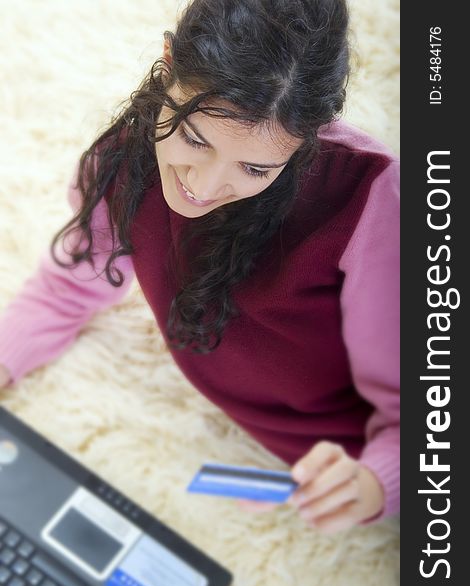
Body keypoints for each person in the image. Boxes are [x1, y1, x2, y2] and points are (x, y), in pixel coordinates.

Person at [0, 0, 399, 535]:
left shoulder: (372, 202)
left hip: (346, 472)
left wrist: (376, 482)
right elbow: (69, 285)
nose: (203, 188)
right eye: (194, 138)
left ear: (311, 135)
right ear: (167, 62)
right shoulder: (123, 155)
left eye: (256, 168)